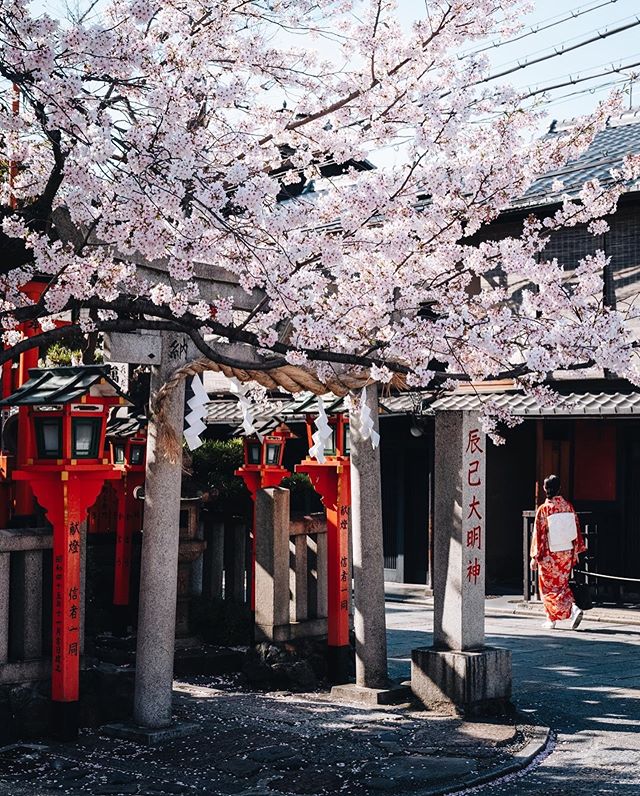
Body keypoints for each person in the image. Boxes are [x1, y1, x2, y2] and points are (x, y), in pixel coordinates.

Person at [530, 474, 587, 630]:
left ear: (544, 488)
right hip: (566, 552)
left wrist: (535, 556)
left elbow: (539, 534)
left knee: (548, 588)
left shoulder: (544, 509)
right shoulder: (568, 506)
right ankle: (551, 618)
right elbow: (575, 529)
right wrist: (576, 551)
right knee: (561, 586)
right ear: (559, 488)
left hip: (550, 554)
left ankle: (571, 609)